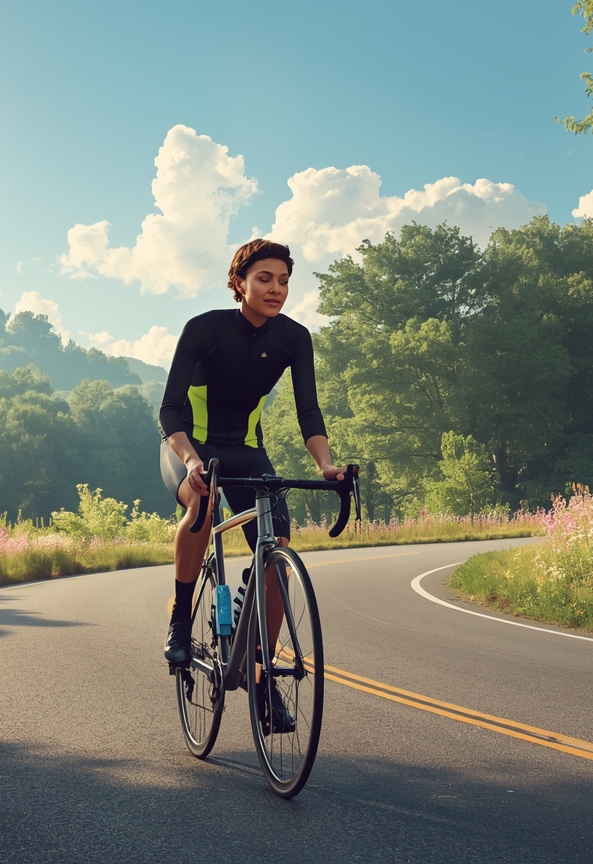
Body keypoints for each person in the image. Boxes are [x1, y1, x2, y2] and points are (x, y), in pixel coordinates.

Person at [158, 239, 344, 733]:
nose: (276, 289)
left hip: (246, 450)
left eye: (284, 281)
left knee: (278, 550)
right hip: (189, 445)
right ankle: (180, 617)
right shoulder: (205, 329)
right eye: (265, 279)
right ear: (239, 281)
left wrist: (325, 464)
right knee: (202, 500)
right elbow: (169, 409)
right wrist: (192, 458)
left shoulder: (293, 338)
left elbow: (309, 411)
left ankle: (263, 682)